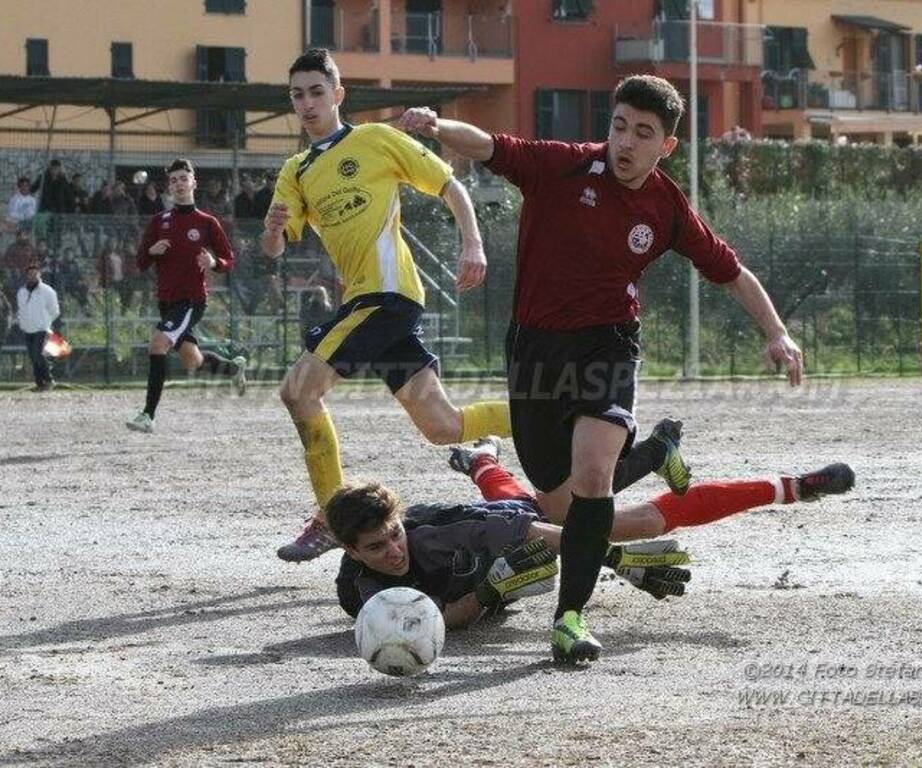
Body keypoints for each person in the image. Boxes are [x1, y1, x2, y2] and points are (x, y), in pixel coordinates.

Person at [400, 74, 805, 663]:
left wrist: (777, 332)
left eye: (643, 133)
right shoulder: (562, 166)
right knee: (558, 498)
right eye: (619, 126)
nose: (626, 142)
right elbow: (488, 144)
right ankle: (656, 453)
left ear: (666, 145)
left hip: (609, 346)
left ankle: (569, 618)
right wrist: (439, 127)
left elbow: (730, 271)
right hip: (535, 349)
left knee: (593, 481)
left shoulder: (666, 206)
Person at [260, 48, 513, 563]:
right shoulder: (297, 170)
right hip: (367, 304)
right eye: (297, 94)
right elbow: (275, 246)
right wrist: (270, 231)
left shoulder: (375, 140)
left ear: (338, 95)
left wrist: (473, 243)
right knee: (442, 425)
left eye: (316, 91)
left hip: (388, 296)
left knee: (298, 392)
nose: (307, 103)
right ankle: (550, 414)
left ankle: (331, 517)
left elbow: (450, 185)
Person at [330, 438, 855, 627]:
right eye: (377, 546)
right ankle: (483, 458)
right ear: (351, 551)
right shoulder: (362, 596)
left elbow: (544, 529)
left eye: (394, 534)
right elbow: (442, 622)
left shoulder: (434, 533)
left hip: (508, 533)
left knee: (627, 523)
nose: (393, 550)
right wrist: (489, 591)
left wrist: (618, 562)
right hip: (494, 572)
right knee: (532, 516)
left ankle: (792, 487)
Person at [125, 158, 247, 434]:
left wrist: (214, 263)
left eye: (184, 178)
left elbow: (229, 259)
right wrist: (152, 252)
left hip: (192, 300)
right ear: (169, 187)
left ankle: (147, 415)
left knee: (158, 343)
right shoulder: (159, 222)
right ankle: (233, 369)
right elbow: (141, 262)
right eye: (174, 180)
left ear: (194, 182)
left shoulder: (206, 222)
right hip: (166, 301)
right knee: (193, 361)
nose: (179, 183)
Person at [15, 263, 60, 391]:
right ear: (26, 276)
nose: (33, 276)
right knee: (33, 356)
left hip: (42, 328)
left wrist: (46, 322)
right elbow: (21, 310)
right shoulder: (21, 292)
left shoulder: (47, 291)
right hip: (28, 329)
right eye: (30, 274)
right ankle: (39, 383)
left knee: (39, 354)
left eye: (35, 273)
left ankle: (49, 380)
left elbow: (55, 310)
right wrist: (23, 323)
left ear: (39, 275)